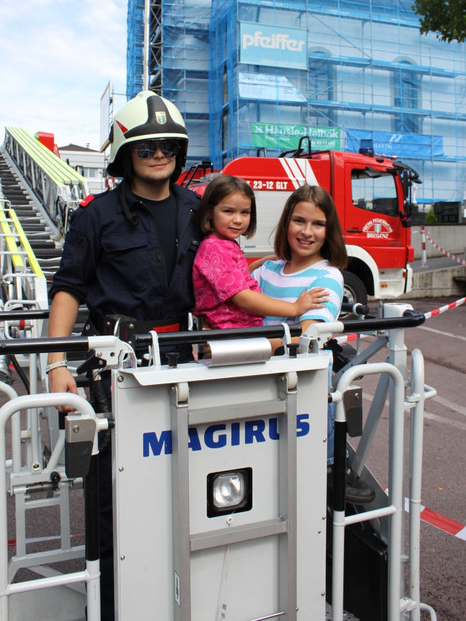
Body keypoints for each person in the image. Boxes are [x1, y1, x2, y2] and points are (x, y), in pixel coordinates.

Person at [46, 90, 203, 621]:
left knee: (188, 486)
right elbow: (68, 288)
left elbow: (224, 275)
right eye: (146, 147)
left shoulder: (196, 209)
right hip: (118, 371)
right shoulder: (96, 216)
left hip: (183, 363)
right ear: (124, 154)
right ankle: (114, 606)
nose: (159, 154)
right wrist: (56, 364)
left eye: (168, 146)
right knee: (116, 498)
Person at [251, 183, 375, 504]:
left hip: (300, 386)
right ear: (286, 223)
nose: (307, 232)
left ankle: (333, 466)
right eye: (299, 221)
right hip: (257, 377)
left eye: (318, 224)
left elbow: (306, 338)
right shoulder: (268, 269)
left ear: (328, 230)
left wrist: (252, 344)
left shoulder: (327, 276)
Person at [192, 175, 330, 332]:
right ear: (210, 212)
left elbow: (226, 280)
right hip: (232, 332)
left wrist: (252, 267)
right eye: (228, 211)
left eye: (245, 212)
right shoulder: (215, 248)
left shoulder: (223, 244)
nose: (238, 220)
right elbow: (242, 297)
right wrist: (294, 308)